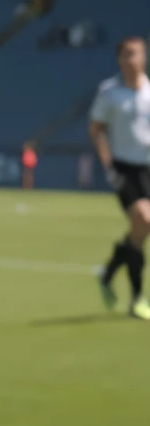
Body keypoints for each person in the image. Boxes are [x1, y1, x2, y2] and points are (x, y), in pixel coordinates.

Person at [91, 34, 150, 319]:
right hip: (124, 169)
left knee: (140, 233)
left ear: (144, 57)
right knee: (144, 220)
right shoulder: (109, 91)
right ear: (119, 59)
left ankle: (109, 271)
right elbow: (96, 129)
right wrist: (109, 166)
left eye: (136, 53)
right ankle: (138, 299)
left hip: (147, 169)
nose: (131, 59)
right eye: (125, 54)